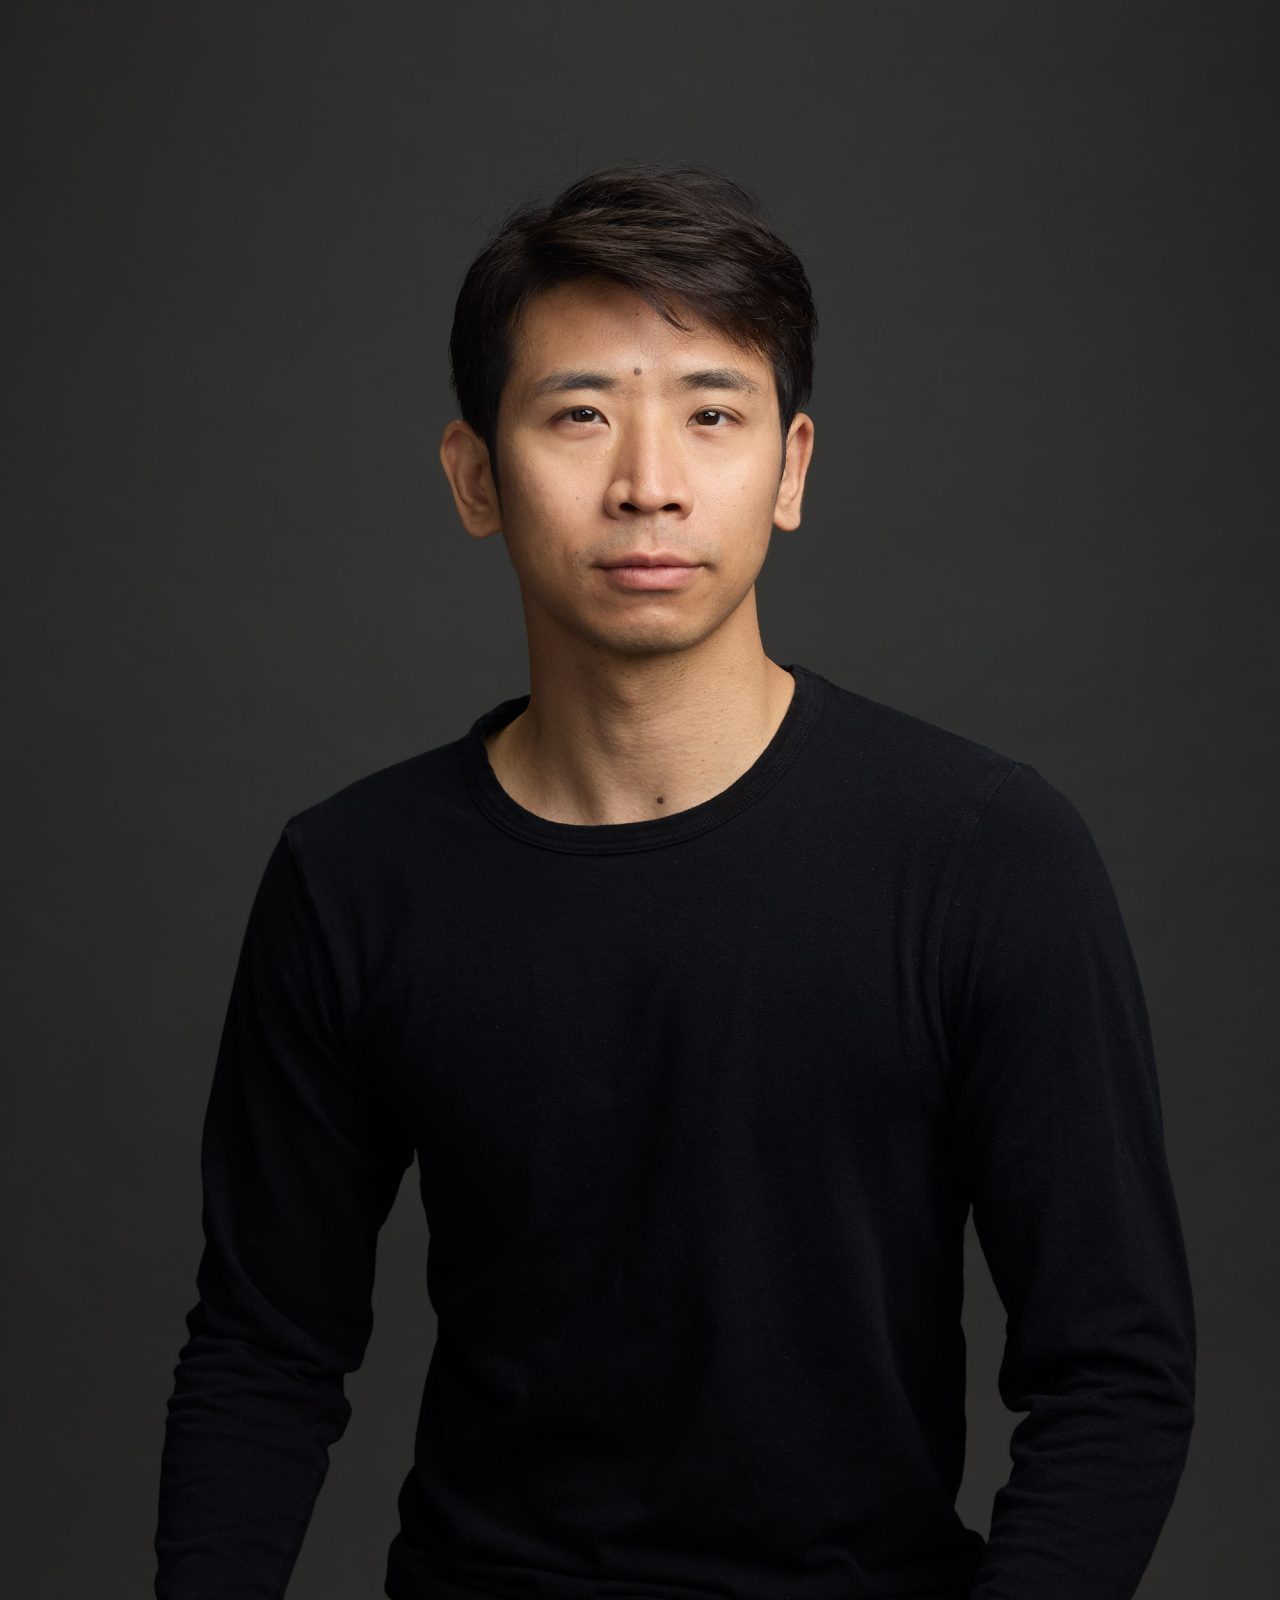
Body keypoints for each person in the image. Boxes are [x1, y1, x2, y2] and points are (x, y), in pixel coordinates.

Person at [154, 162, 1196, 1600]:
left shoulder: (984, 853)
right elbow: (263, 1351)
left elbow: (1115, 1372)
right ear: (474, 475)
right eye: (579, 414)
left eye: (713, 415)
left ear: (792, 469)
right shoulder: (354, 879)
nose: (647, 483)